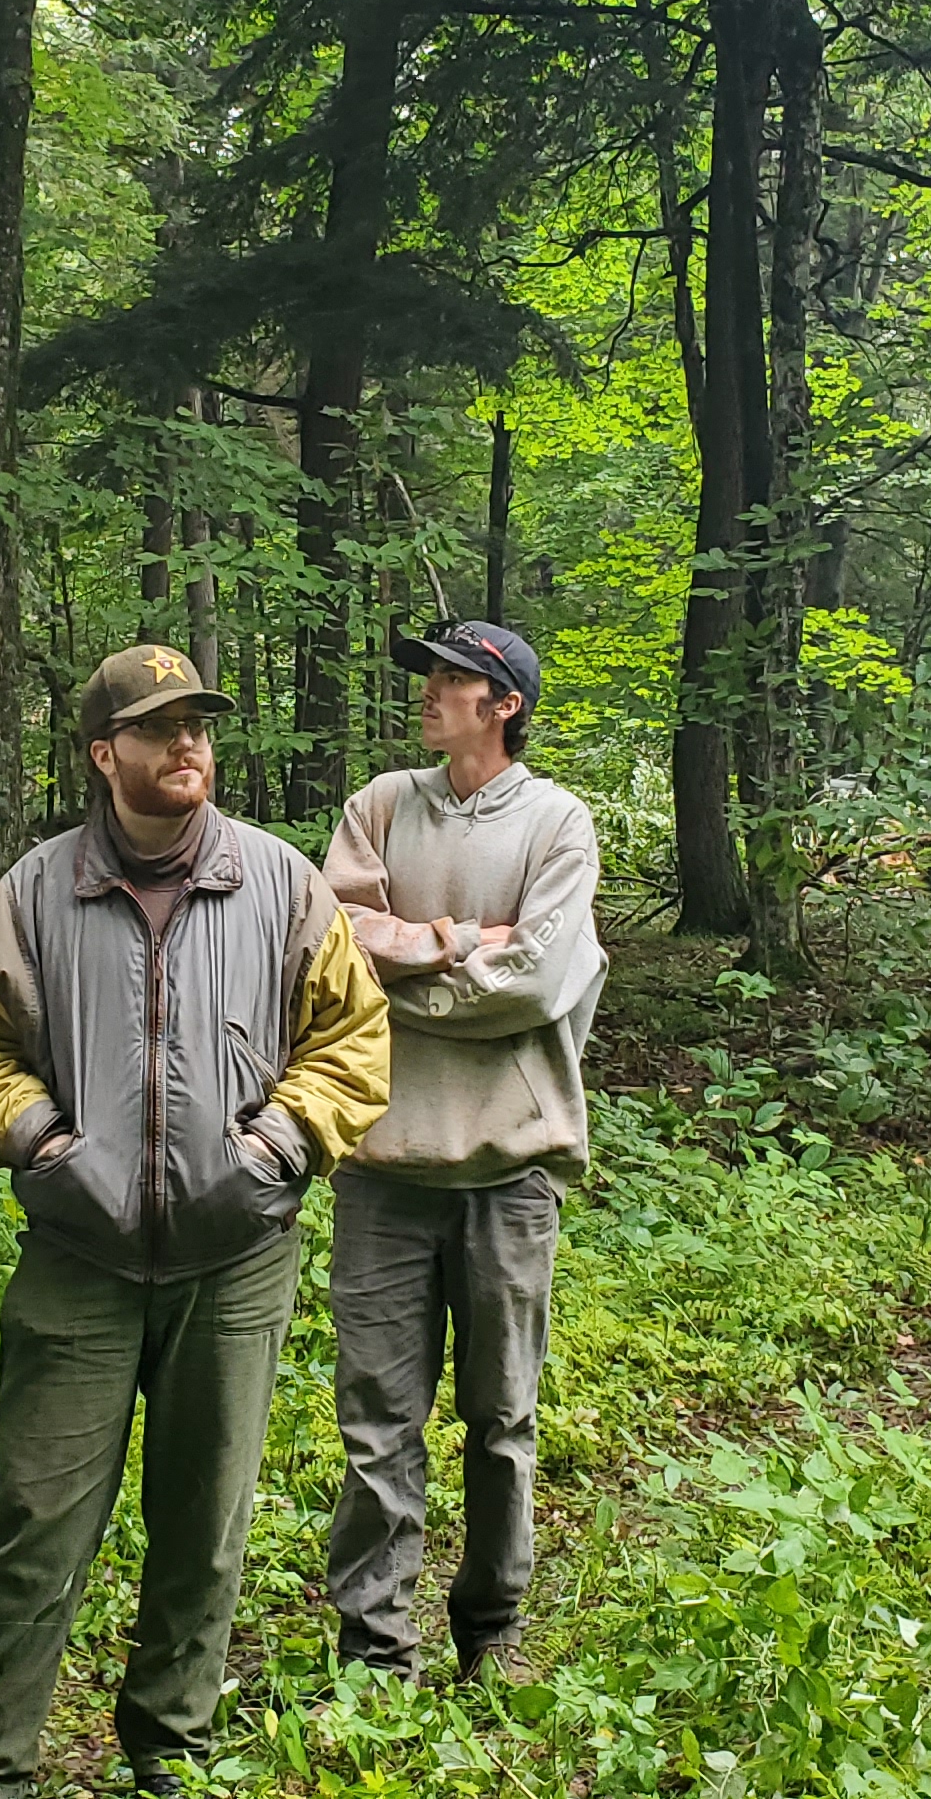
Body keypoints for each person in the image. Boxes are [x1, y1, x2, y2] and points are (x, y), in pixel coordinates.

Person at [0, 643, 394, 1797]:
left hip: (234, 1262)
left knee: (205, 1523)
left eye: (198, 725)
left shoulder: (284, 885)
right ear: (104, 754)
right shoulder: (34, 894)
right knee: (36, 1520)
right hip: (77, 1259)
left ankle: (168, 1751)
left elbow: (353, 1042)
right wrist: (38, 1138)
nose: (187, 745)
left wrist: (278, 1145)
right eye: (158, 727)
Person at [318, 621, 604, 1684]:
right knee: (376, 1422)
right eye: (432, 677)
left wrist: (409, 984)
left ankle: (491, 1631)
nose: (432, 693)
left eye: (455, 680)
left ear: (505, 705)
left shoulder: (557, 823)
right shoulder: (382, 805)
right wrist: (459, 941)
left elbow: (536, 984)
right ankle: (375, 1650)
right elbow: (331, 943)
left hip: (509, 1171)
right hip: (381, 1172)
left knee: (500, 1421)